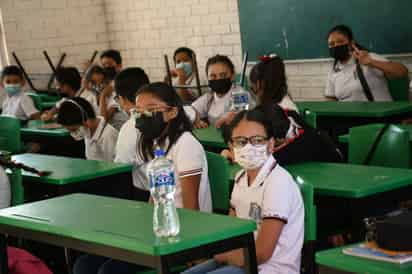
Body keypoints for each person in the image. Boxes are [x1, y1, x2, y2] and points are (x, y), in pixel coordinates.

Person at [73, 83, 212, 274]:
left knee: (109, 271)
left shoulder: (186, 144)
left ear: (172, 112)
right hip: (158, 231)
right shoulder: (158, 142)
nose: (141, 117)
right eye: (137, 112)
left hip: (181, 235)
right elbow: (154, 197)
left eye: (150, 111)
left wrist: (191, 252)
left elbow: (192, 210)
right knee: (84, 265)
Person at [183, 109, 304, 274]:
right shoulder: (241, 177)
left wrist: (223, 255)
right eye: (240, 141)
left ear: (270, 144)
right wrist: (220, 253)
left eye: (257, 140)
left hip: (270, 268)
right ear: (230, 147)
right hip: (240, 262)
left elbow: (262, 253)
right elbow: (231, 229)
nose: (248, 147)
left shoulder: (278, 182)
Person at [325, 25, 408, 101]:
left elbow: (402, 72)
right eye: (331, 44)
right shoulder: (333, 71)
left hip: (378, 114)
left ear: (351, 43)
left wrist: (371, 62)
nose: (336, 46)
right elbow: (331, 99)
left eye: (340, 41)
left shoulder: (369, 57)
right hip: (350, 116)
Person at [114, 67, 150, 201]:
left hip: (148, 195)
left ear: (121, 99)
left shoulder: (130, 127)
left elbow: (120, 167)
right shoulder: (164, 113)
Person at [191, 55, 255, 128]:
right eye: (213, 76)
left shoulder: (241, 94)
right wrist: (195, 119)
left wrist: (226, 119)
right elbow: (191, 110)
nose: (218, 79)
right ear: (207, 77)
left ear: (232, 75)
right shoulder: (209, 97)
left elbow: (234, 118)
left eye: (223, 75)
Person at [57, 97, 118, 162]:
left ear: (86, 119)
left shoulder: (108, 135)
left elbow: (115, 166)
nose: (73, 134)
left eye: (74, 130)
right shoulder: (88, 132)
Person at [98, 49, 128, 130]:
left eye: (109, 64)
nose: (106, 67)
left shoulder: (121, 85)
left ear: (119, 65)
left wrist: (103, 95)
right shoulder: (108, 84)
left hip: (119, 130)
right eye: (104, 65)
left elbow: (103, 120)